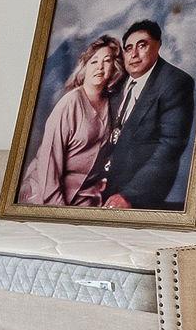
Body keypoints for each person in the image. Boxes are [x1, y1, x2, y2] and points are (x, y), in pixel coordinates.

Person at [72, 19, 195, 210]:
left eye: (142, 45)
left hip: (138, 195)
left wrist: (129, 196)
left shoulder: (175, 82)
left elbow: (169, 148)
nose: (134, 54)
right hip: (98, 189)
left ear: (158, 45)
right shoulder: (116, 80)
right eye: (128, 48)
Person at [18, 35, 124, 206]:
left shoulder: (112, 105)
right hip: (46, 193)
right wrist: (57, 209)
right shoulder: (70, 103)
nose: (100, 67)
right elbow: (49, 161)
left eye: (107, 61)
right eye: (94, 61)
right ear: (85, 67)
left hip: (86, 196)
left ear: (114, 68)